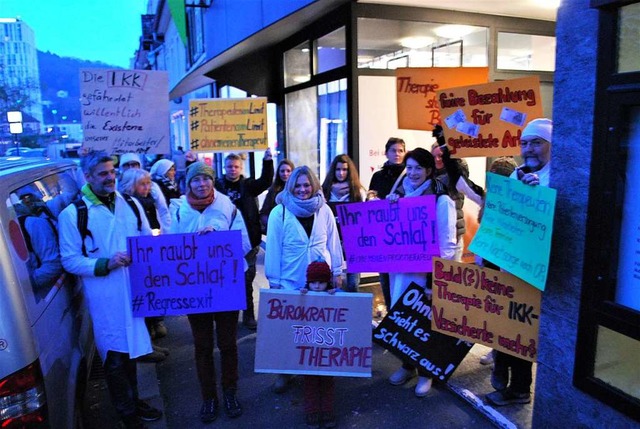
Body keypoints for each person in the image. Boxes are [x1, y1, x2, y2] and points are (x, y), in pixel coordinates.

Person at [58, 151, 162, 429]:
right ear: (87, 177)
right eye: (103, 174)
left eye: (112, 172)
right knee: (115, 357)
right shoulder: (74, 215)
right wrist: (106, 263)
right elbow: (70, 259)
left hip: (135, 290)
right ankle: (127, 414)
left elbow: (145, 240)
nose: (110, 178)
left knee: (131, 353)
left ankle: (134, 400)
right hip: (105, 296)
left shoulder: (129, 203)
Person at [169, 161, 252, 423]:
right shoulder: (179, 209)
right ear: (189, 183)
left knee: (228, 344)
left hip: (225, 286)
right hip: (195, 290)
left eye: (206, 179)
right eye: (196, 180)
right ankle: (209, 397)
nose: (202, 184)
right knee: (202, 346)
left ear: (212, 181)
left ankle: (230, 392)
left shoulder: (227, 205)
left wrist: (218, 239)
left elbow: (245, 242)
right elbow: (171, 248)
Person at [486, 118, 553, 407]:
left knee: (523, 330)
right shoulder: (516, 176)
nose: (529, 149)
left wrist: (537, 195)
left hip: (536, 274)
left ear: (552, 146)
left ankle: (520, 388)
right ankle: (502, 371)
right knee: (506, 325)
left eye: (537, 143)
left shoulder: (558, 178)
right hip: (509, 267)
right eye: (525, 143)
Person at [265, 166, 344, 393]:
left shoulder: (324, 210)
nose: (302, 190)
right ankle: (285, 371)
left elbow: (333, 242)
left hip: (320, 281)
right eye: (298, 185)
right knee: (290, 329)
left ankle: (320, 370)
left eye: (307, 185)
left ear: (314, 186)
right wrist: (274, 281)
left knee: (319, 328)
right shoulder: (279, 213)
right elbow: (273, 248)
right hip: (291, 279)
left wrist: (337, 271)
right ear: (291, 186)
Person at [386, 148, 457, 398]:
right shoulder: (400, 194)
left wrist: (433, 280)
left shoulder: (440, 199)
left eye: (419, 168)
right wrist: (390, 207)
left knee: (424, 324)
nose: (414, 173)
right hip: (401, 273)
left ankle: (425, 372)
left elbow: (447, 245)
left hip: (426, 275)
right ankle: (407, 364)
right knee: (404, 320)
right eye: (410, 167)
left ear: (428, 170)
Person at [215, 150, 274, 330]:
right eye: (229, 166)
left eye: (236, 167)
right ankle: (227, 317)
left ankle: (248, 315)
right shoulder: (217, 185)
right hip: (223, 242)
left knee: (247, 278)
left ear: (241, 168)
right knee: (224, 280)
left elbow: (265, 181)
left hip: (247, 239)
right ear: (224, 168)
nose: (232, 169)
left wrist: (268, 161)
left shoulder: (248, 185)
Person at [118, 168, 171, 363]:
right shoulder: (128, 204)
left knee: (150, 298)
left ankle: (147, 342)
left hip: (148, 255)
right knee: (141, 302)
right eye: (143, 184)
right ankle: (144, 346)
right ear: (131, 186)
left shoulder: (148, 202)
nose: (147, 187)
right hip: (136, 260)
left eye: (149, 183)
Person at [368, 137, 406, 311]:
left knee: (402, 276)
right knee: (384, 274)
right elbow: (371, 199)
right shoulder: (378, 176)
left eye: (400, 150)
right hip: (383, 232)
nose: (397, 154)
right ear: (386, 153)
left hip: (404, 234)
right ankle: (390, 310)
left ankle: (401, 313)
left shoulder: (409, 175)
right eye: (394, 150)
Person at [299, 260, 338, 429]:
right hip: (308, 348)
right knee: (310, 381)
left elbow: (347, 305)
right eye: (313, 282)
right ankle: (312, 411)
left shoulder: (333, 295)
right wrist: (300, 293)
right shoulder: (304, 294)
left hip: (326, 348)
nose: (316, 286)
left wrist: (335, 292)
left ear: (327, 282)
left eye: (321, 282)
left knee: (327, 380)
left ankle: (327, 410)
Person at [321, 154, 367, 292]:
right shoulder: (325, 192)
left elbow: (363, 220)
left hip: (353, 243)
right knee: (331, 284)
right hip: (331, 242)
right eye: (338, 169)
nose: (341, 173)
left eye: (345, 170)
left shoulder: (358, 192)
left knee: (353, 285)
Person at [259, 158, 294, 233]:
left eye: (288, 171)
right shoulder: (273, 190)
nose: (285, 174)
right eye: (282, 171)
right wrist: (273, 224)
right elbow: (264, 213)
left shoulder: (297, 190)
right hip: (277, 230)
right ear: (278, 173)